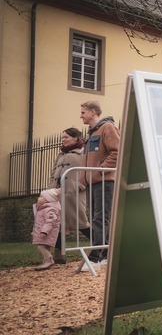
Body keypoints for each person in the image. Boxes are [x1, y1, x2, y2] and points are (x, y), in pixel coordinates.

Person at [80, 100, 120, 265]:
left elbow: (117, 152)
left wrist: (99, 171)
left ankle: (96, 257)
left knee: (100, 218)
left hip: (104, 181)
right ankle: (105, 255)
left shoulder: (108, 128)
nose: (80, 115)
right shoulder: (92, 133)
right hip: (93, 182)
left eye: (83, 112)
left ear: (92, 112)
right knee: (97, 218)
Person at [47, 127, 91, 264]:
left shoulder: (84, 152)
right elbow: (53, 174)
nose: (63, 139)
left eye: (66, 137)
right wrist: (50, 190)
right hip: (58, 194)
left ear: (76, 138)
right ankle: (59, 255)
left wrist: (81, 186)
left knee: (80, 221)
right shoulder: (61, 154)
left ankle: (102, 245)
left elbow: (89, 172)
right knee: (59, 223)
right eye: (62, 137)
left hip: (74, 194)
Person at [31, 188, 61, 270]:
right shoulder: (43, 209)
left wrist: (44, 231)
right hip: (44, 232)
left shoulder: (50, 210)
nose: (39, 198)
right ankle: (46, 261)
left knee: (41, 246)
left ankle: (49, 261)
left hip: (46, 233)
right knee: (45, 247)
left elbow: (50, 222)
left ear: (48, 200)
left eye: (41, 197)